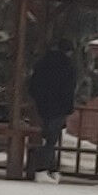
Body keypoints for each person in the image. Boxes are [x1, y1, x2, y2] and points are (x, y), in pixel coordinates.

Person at [24, 32, 83, 178]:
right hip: (59, 108)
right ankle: (43, 168)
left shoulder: (42, 63)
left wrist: (37, 98)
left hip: (42, 106)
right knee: (51, 139)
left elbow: (33, 84)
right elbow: (69, 89)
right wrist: (68, 108)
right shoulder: (68, 67)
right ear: (69, 51)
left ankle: (48, 167)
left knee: (45, 137)